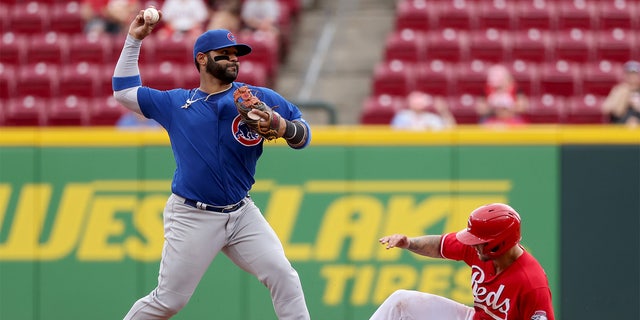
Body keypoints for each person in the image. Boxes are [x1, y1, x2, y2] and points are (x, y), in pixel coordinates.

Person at [112, 8, 312, 320]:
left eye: (236, 54)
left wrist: (281, 125)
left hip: (241, 212)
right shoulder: (176, 103)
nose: (234, 59)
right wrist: (133, 40)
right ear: (202, 59)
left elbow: (304, 135)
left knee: (284, 276)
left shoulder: (256, 98)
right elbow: (123, 92)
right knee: (168, 301)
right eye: (225, 54)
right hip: (193, 215)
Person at [370, 203, 555, 320]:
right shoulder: (479, 249)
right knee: (401, 301)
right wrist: (409, 243)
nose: (472, 245)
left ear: (498, 243)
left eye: (478, 242)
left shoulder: (532, 283)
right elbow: (439, 245)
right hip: (473, 318)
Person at [390, 90, 456, 130]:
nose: (417, 102)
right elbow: (394, 133)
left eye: (419, 99)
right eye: (415, 99)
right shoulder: (402, 116)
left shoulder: (431, 118)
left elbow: (450, 129)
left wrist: (443, 111)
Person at [601, 60, 640, 127]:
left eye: (634, 74)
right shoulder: (618, 90)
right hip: (620, 125)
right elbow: (607, 109)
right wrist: (624, 96)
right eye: (629, 74)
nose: (632, 77)